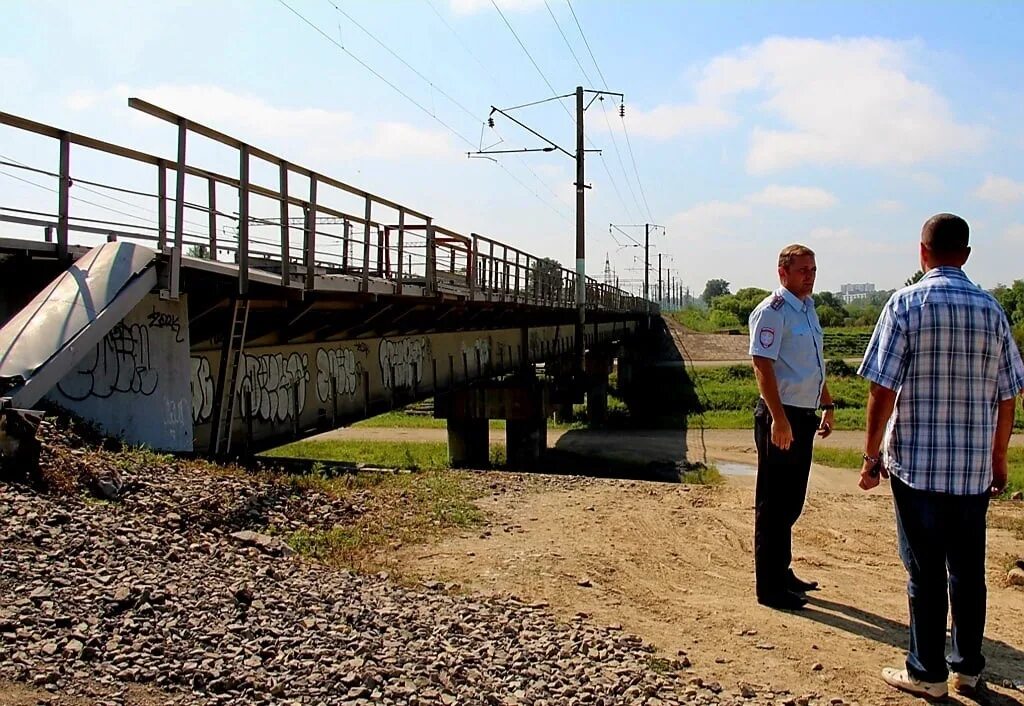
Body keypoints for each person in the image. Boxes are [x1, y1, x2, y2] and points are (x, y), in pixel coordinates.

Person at [858, 213, 1024, 699]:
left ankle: (926, 673)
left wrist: (871, 455)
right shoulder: (992, 310)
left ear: (922, 252)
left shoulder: (905, 304)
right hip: (972, 472)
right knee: (968, 573)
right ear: (967, 255)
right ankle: (969, 668)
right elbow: (1009, 395)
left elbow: (881, 389)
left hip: (917, 468)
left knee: (924, 572)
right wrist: (999, 459)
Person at [748, 244, 835, 610]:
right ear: (783, 273)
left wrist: (827, 404)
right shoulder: (773, 311)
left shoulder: (809, 310)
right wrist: (779, 420)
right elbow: (762, 367)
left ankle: (782, 572)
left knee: (791, 502)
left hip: (803, 414)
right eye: (803, 270)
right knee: (773, 504)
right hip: (780, 417)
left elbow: (814, 364)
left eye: (813, 269)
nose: (810, 275)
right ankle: (769, 589)